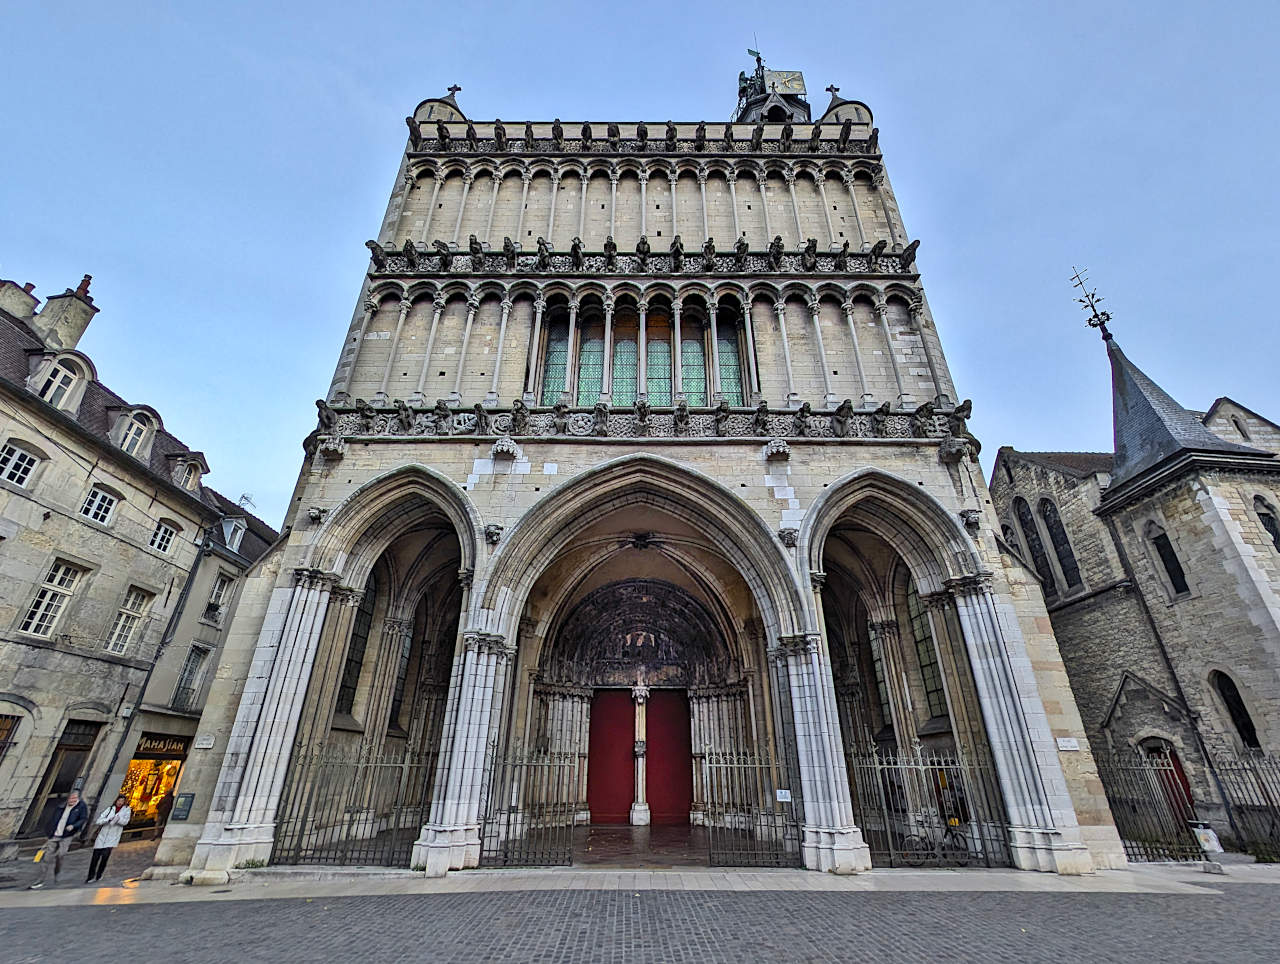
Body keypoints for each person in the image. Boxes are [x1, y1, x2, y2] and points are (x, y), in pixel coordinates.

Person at [28, 789, 88, 888]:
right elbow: (53, 819)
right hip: (55, 835)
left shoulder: (81, 807)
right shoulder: (61, 806)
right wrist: (49, 832)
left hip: (67, 835)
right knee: (46, 858)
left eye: (74, 798)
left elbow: (83, 818)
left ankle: (57, 873)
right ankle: (40, 880)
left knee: (61, 855)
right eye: (71, 798)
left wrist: (73, 826)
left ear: (78, 799)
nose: (72, 800)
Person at [87, 794, 131, 883]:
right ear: (116, 800)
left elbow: (125, 822)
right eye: (119, 800)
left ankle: (99, 875)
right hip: (102, 835)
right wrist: (107, 820)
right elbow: (99, 821)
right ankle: (90, 876)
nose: (120, 802)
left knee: (105, 857)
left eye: (122, 801)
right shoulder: (110, 808)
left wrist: (118, 819)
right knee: (95, 857)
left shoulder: (126, 810)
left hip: (113, 837)